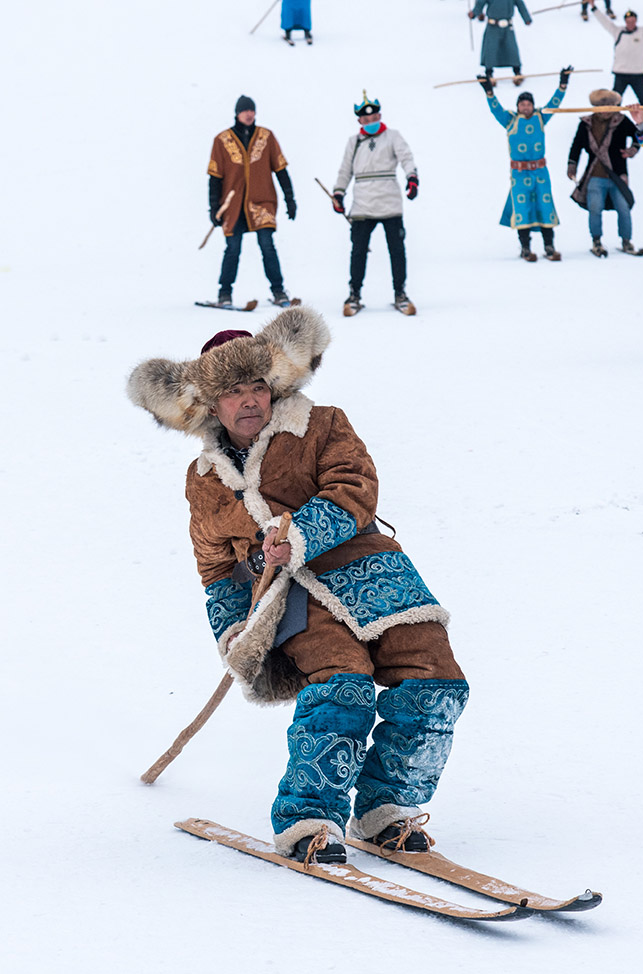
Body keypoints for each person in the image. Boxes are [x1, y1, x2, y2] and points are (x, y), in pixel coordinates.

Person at [127, 308, 469, 864]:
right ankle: (309, 820)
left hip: (376, 575)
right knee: (342, 688)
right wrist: (235, 629)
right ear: (211, 405)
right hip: (293, 601)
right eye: (233, 391)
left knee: (438, 686)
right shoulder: (205, 480)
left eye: (257, 386)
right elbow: (215, 568)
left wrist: (302, 533)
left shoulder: (323, 424)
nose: (249, 401)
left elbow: (355, 487)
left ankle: (388, 812)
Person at [332, 91, 419, 316]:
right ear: (359, 120)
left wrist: (412, 177)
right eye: (366, 119)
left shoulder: (393, 136)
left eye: (374, 118)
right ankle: (354, 294)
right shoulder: (354, 142)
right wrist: (339, 193)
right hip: (362, 204)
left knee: (397, 250)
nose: (371, 122)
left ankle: (400, 292)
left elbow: (406, 157)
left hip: (390, 202)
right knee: (358, 251)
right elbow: (345, 169)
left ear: (379, 116)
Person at [208, 95, 297, 309]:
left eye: (252, 110)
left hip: (262, 201)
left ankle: (278, 290)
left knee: (267, 245)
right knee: (233, 248)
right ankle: (225, 293)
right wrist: (214, 207)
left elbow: (281, 169)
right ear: (237, 113)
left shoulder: (266, 137)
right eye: (245, 110)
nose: (249, 114)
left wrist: (289, 198)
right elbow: (214, 177)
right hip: (233, 205)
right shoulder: (222, 140)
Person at [477, 67, 572, 261]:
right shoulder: (510, 120)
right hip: (519, 174)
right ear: (518, 106)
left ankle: (549, 246)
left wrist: (563, 84)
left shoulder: (540, 117)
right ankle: (526, 248)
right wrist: (489, 91)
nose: (526, 107)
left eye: (529, 104)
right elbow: (495, 108)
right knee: (522, 210)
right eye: (522, 104)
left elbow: (555, 103)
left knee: (545, 208)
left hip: (540, 172)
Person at [568, 89, 641, 256]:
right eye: (602, 105)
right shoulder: (586, 123)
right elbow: (576, 146)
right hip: (595, 176)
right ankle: (596, 241)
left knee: (623, 208)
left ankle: (626, 241)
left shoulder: (622, 121)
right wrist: (572, 165)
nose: (606, 108)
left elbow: (638, 135)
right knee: (595, 208)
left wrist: (633, 149)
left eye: (609, 104)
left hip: (618, 175)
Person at [589, 5, 643, 113]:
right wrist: (593, 7)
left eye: (632, 20)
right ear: (625, 21)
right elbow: (604, 22)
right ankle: (612, 122)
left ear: (636, 20)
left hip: (638, 74)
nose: (630, 23)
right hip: (620, 74)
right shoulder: (618, 31)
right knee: (614, 102)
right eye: (628, 21)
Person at [468, 0, 533, 87]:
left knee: (511, 49)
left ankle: (517, 72)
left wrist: (526, 18)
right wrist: (474, 13)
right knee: (490, 49)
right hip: (493, 26)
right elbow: (480, 3)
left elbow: (520, 5)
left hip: (507, 26)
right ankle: (489, 73)